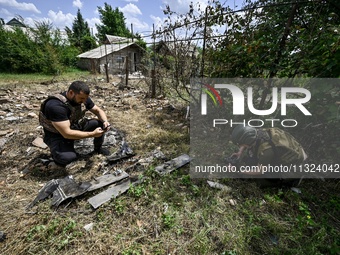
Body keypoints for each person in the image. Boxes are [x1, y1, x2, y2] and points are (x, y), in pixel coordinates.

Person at [39, 81, 111, 167]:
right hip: (58, 134)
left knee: (99, 124)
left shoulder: (82, 97)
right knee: (67, 158)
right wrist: (92, 134)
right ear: (71, 93)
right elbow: (66, 133)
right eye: (81, 99)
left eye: (85, 98)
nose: (84, 101)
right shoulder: (56, 106)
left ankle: (98, 149)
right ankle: (56, 158)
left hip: (74, 125)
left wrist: (105, 121)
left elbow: (98, 111)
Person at [229, 125, 308, 187]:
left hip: (295, 167)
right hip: (296, 151)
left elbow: (260, 171)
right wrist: (239, 152)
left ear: (248, 142)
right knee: (251, 162)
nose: (241, 146)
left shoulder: (266, 151)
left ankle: (291, 182)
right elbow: (245, 140)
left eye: (241, 144)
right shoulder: (256, 133)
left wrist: (239, 170)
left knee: (261, 179)